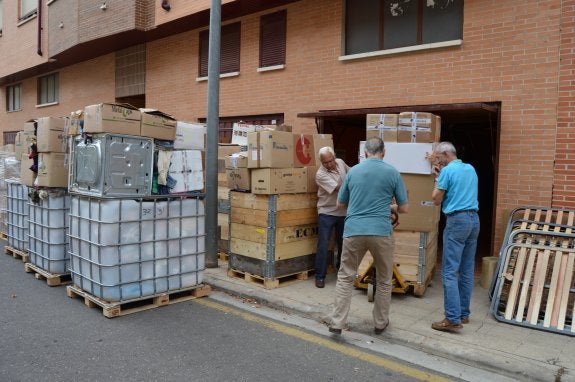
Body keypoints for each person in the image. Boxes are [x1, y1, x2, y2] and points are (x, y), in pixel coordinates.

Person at [327, 138, 408, 335]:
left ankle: (337, 322)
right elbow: (404, 208)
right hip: (381, 230)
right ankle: (380, 323)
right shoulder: (392, 172)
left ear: (365, 153)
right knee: (384, 279)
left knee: (346, 276)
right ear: (384, 152)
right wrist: (388, 207)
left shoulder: (353, 171)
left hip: (354, 230)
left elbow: (339, 204)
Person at [430, 141, 480, 332]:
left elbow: (436, 199)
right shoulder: (470, 169)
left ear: (445, 154)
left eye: (438, 157)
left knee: (449, 271)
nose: (437, 160)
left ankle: (452, 318)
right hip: (474, 219)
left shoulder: (447, 172)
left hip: (457, 220)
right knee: (466, 270)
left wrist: (438, 178)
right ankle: (463, 314)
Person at [314, 146, 350, 288]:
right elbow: (339, 188)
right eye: (325, 162)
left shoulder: (340, 162)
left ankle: (340, 271)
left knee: (343, 243)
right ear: (321, 162)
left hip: (343, 211)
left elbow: (351, 171)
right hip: (327, 212)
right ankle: (320, 276)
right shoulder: (320, 175)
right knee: (323, 244)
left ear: (334, 157)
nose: (329, 164)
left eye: (330, 161)